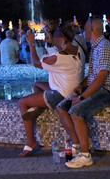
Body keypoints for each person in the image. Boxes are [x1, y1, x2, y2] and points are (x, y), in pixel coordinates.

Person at [57, 17, 110, 169]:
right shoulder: (96, 47)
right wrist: (81, 86)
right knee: (62, 106)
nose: (82, 32)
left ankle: (86, 156)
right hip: (98, 89)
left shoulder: (105, 47)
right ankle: (76, 146)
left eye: (85, 29)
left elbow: (101, 79)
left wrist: (82, 97)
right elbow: (93, 76)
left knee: (76, 111)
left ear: (91, 30)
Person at [18, 23, 85, 157]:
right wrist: (52, 38)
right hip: (71, 88)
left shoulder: (59, 58)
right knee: (37, 85)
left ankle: (31, 142)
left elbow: (36, 63)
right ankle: (40, 107)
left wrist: (31, 44)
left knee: (22, 103)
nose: (52, 42)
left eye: (54, 40)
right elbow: (57, 51)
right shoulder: (77, 49)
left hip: (60, 94)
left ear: (61, 40)